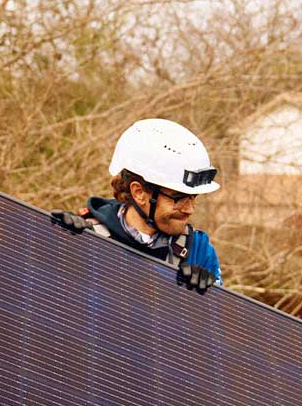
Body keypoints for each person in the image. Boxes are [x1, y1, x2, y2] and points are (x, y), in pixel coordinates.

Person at [51, 118, 222, 292]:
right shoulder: (85, 236)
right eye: (178, 198)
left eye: (193, 197)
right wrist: (60, 249)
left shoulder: (200, 252)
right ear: (139, 192)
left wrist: (205, 302)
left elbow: (220, 317)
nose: (189, 209)